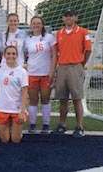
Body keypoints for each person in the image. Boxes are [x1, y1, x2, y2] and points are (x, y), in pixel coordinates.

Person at [52, 10, 91, 138]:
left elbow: (88, 50)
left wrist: (81, 63)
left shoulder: (83, 32)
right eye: (66, 16)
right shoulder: (59, 33)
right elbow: (57, 51)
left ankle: (79, 127)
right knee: (62, 98)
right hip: (62, 66)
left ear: (75, 17)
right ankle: (62, 125)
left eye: (71, 16)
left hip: (75, 66)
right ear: (63, 18)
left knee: (76, 98)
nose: (68, 18)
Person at [25, 16, 57, 134]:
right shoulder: (28, 39)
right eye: (34, 23)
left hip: (45, 73)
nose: (36, 25)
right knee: (33, 100)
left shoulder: (49, 38)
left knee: (45, 99)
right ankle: (32, 125)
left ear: (42, 25)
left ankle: (45, 125)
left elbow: (54, 56)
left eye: (38, 23)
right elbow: (24, 56)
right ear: (31, 25)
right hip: (32, 73)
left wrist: (52, 71)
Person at [0, 46, 28, 143]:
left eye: (13, 54)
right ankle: (9, 127)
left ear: (17, 56)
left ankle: (16, 130)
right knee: (5, 140)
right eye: (8, 53)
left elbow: (25, 92)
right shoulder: (0, 70)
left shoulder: (22, 72)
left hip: (16, 109)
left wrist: (22, 111)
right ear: (5, 56)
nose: (11, 56)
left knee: (15, 140)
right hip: (2, 108)